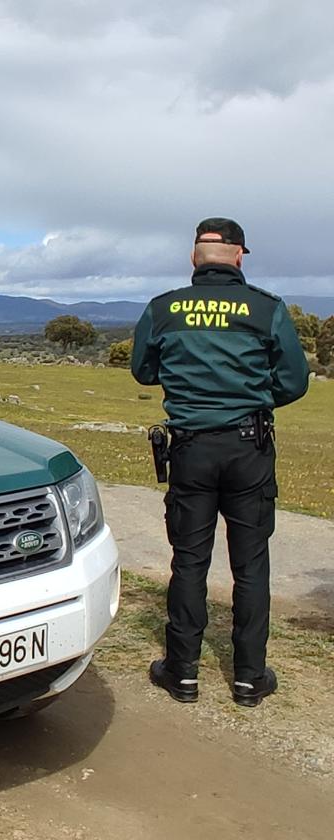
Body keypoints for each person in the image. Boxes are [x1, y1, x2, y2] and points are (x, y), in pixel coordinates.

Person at [130, 217, 310, 707]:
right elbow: (294, 382)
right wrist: (250, 398)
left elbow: (144, 370)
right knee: (251, 566)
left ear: (194, 257)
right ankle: (250, 677)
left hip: (189, 449)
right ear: (239, 255)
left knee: (189, 561)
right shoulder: (266, 309)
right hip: (248, 448)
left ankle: (182, 672)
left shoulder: (164, 308)